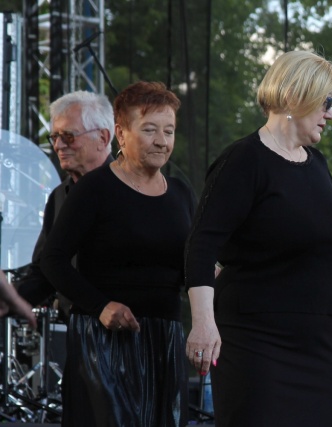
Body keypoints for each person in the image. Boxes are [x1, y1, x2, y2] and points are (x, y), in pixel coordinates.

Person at [184, 50, 332, 427]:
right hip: (255, 341)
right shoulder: (244, 159)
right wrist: (203, 322)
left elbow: (325, 250)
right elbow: (201, 245)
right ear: (294, 96)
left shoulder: (317, 165)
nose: (331, 114)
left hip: (316, 344)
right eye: (326, 102)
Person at [40, 81, 194, 426]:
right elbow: (52, 260)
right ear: (121, 134)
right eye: (150, 130)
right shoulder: (94, 189)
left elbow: (189, 267)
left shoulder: (181, 194)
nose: (162, 141)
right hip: (104, 343)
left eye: (169, 131)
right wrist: (101, 306)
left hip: (165, 342)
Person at [16, 90, 115, 316]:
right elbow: (44, 274)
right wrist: (9, 298)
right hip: (75, 328)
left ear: (103, 138)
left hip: (124, 326)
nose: (58, 145)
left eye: (68, 136)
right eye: (54, 137)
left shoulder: (129, 188)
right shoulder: (60, 196)